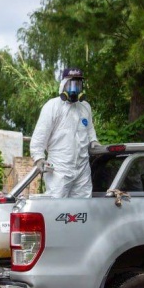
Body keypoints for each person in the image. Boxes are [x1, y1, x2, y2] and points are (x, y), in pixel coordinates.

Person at [30, 68, 100, 198]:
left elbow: (89, 129)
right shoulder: (52, 106)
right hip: (59, 169)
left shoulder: (85, 107)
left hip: (82, 167)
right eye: (72, 84)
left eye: (78, 84)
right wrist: (38, 157)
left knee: (82, 208)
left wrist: (93, 140)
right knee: (57, 208)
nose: (75, 88)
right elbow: (40, 135)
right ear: (63, 84)